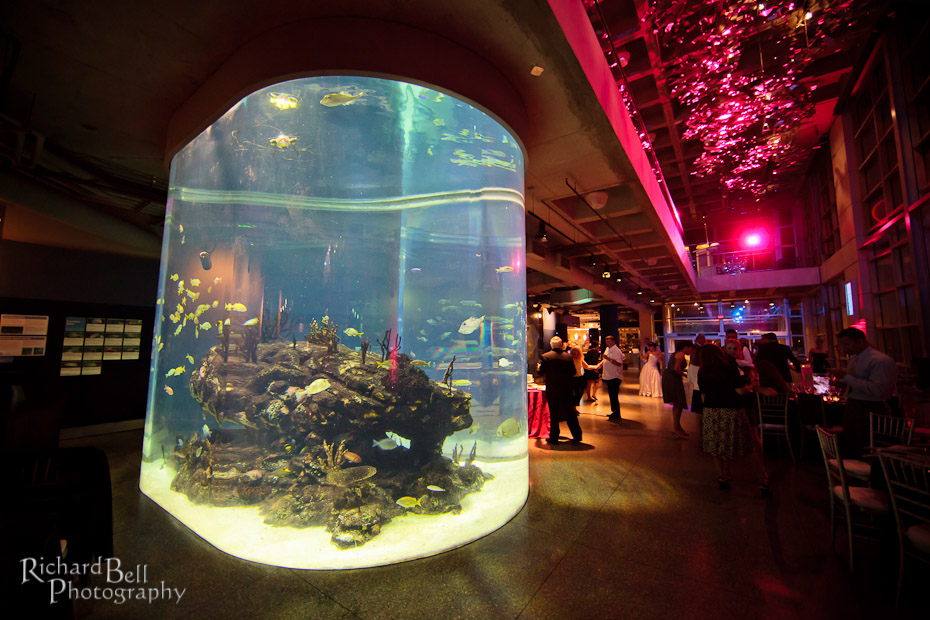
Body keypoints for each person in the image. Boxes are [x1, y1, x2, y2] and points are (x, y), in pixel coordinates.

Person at [699, 341, 771, 496]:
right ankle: (762, 481)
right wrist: (752, 386)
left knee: (717, 447)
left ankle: (722, 477)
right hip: (731, 410)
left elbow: (703, 395)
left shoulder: (703, 371)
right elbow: (739, 391)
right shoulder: (728, 368)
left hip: (712, 411)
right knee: (747, 446)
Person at [830, 327, 898, 458]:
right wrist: (842, 383)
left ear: (860, 341)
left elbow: (878, 390)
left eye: (847, 344)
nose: (844, 348)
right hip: (853, 406)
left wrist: (846, 377)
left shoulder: (880, 360)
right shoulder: (855, 360)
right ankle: (853, 471)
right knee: (851, 442)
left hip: (870, 408)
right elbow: (857, 384)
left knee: (866, 444)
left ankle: (868, 472)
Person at [538, 336, 582, 444]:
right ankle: (577, 435)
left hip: (552, 389)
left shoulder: (546, 357)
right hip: (566, 389)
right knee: (570, 413)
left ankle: (554, 436)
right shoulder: (568, 357)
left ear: (551, 345)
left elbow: (540, 372)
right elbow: (573, 372)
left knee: (554, 413)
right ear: (561, 344)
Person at [662, 340, 693, 439]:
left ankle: (678, 427)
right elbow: (676, 368)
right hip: (673, 378)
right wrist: (684, 374)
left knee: (677, 403)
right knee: (678, 402)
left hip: (670, 377)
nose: (691, 351)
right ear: (686, 347)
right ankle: (676, 428)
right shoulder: (681, 354)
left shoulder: (675, 354)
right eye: (690, 348)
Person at [601, 335, 625, 421]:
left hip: (615, 376)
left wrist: (608, 359)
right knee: (611, 395)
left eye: (608, 341)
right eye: (606, 341)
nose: (606, 343)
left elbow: (619, 363)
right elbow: (605, 360)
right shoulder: (608, 349)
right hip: (609, 376)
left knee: (614, 395)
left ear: (613, 341)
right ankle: (614, 411)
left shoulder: (616, 351)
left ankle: (616, 413)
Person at [687, 342, 704, 414]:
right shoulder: (704, 367)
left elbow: (690, 380)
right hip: (703, 391)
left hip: (696, 391)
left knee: (697, 415)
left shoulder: (691, 367)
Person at [569, 345, 586, 411]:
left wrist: (597, 366)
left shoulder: (580, 359)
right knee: (574, 393)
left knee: (580, 392)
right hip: (573, 378)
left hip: (579, 377)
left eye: (576, 352)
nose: (574, 353)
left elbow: (586, 366)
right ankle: (573, 408)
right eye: (573, 352)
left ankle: (574, 406)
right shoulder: (570, 360)